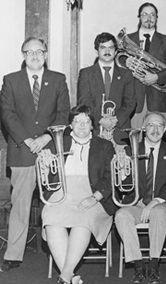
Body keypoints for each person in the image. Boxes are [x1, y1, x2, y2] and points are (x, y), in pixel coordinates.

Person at [0, 37, 70, 272]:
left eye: (39, 51)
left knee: (53, 203)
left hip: (50, 150)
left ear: (46, 53)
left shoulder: (58, 79)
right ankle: (13, 255)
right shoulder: (10, 80)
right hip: (22, 152)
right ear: (23, 55)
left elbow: (64, 112)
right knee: (20, 205)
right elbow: (7, 114)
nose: (34, 55)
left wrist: (46, 137)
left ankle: (57, 250)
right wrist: (28, 139)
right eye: (29, 52)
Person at [38, 105, 115, 284]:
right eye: (77, 121)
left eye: (86, 122)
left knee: (84, 219)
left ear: (92, 126)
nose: (81, 126)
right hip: (61, 194)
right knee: (50, 217)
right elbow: (46, 180)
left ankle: (64, 277)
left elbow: (109, 177)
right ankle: (70, 277)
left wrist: (94, 197)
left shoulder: (104, 146)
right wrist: (46, 167)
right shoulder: (58, 142)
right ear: (70, 125)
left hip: (93, 196)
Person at [114, 112, 166, 284]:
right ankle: (138, 266)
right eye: (151, 125)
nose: (155, 129)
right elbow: (124, 187)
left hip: (162, 203)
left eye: (159, 125)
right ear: (144, 128)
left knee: (158, 214)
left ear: (165, 129)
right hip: (137, 203)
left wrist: (154, 203)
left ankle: (153, 266)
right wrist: (122, 173)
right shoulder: (131, 150)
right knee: (121, 215)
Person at [78, 32, 136, 146]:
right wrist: (100, 120)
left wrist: (115, 120)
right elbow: (84, 101)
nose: (107, 51)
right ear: (97, 51)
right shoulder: (86, 73)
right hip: (94, 130)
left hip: (120, 130)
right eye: (103, 48)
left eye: (111, 48)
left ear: (116, 51)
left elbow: (130, 102)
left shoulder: (126, 74)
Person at [128, 2, 166, 128]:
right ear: (139, 17)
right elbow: (117, 68)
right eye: (145, 14)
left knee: (157, 141)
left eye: (152, 15)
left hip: (158, 100)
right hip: (133, 100)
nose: (149, 18)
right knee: (135, 141)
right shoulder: (129, 39)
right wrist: (125, 62)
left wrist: (156, 77)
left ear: (157, 18)